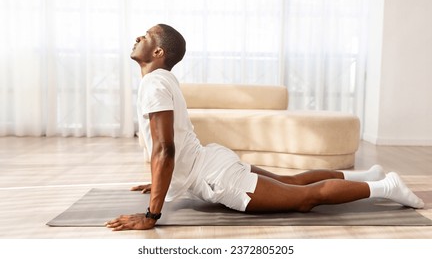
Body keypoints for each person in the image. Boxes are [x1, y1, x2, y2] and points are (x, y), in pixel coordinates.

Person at [105, 24, 424, 231]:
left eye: (145, 37)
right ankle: (366, 177)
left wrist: (151, 215)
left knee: (305, 197)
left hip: (218, 177)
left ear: (158, 52)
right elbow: (169, 145)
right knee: (293, 181)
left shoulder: (154, 85)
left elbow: (165, 148)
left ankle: (387, 187)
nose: (137, 37)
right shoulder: (161, 80)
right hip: (212, 163)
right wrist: (163, 181)